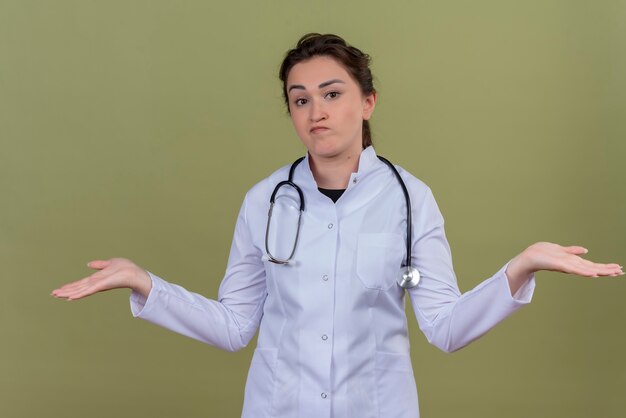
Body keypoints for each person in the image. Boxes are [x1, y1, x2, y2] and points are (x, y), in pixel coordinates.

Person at [52, 33, 623, 418]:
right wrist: (143, 282)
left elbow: (446, 328)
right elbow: (232, 326)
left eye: (332, 94)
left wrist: (520, 267)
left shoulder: (409, 199)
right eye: (299, 100)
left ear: (368, 102)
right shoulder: (264, 201)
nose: (315, 111)